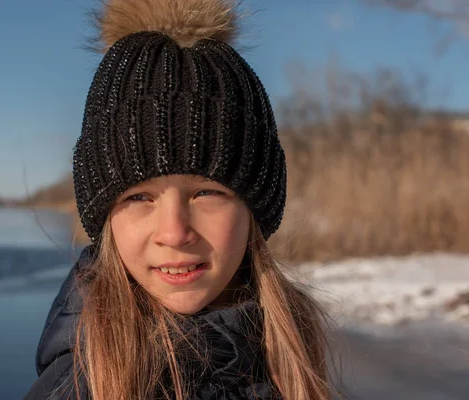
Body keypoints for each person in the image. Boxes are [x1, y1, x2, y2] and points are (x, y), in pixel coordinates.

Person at [24, 0, 333, 399]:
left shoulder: (294, 358)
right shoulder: (81, 385)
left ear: (255, 208)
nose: (174, 232)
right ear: (105, 220)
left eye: (207, 192)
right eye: (139, 197)